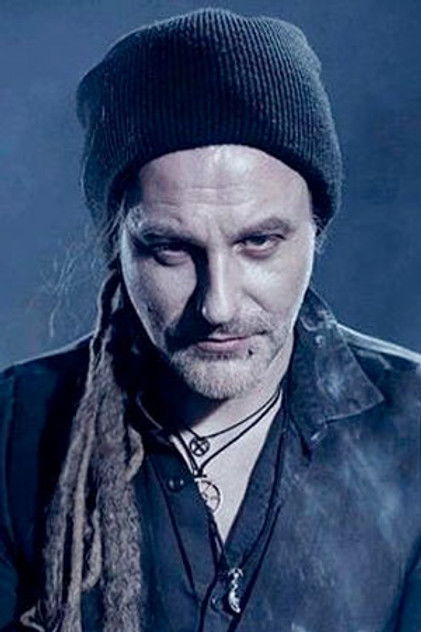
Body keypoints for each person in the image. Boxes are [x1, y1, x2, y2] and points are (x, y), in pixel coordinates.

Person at [0, 7, 420, 632]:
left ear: (316, 231)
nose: (218, 306)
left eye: (259, 242)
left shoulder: (414, 428)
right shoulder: (14, 430)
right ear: (117, 246)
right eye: (170, 249)